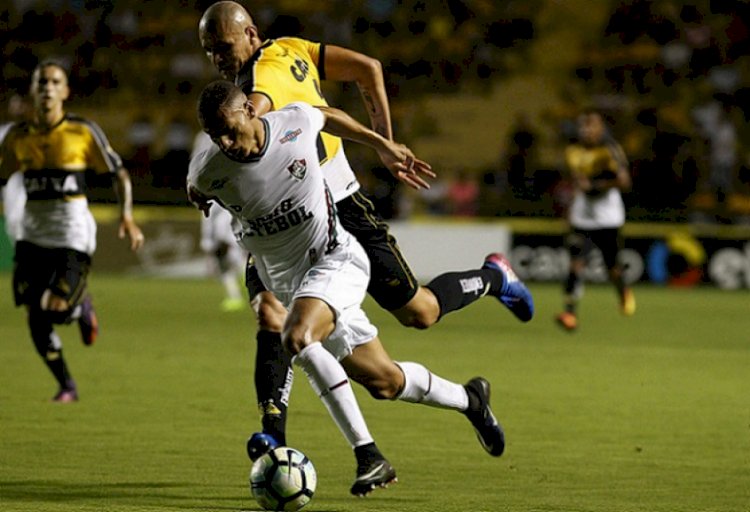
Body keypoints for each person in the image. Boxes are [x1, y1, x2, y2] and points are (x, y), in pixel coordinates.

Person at [197, 1, 534, 455]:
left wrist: (212, 167)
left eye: (222, 46)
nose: (216, 58)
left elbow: (254, 122)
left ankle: (495, 276)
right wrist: (383, 138)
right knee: (370, 373)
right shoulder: (290, 49)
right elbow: (367, 68)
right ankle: (277, 434)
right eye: (208, 51)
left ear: (251, 35)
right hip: (289, 223)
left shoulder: (255, 88)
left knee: (420, 312)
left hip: (337, 210)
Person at [187, 80, 507, 496]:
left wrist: (380, 144)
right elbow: (197, 185)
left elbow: (331, 116)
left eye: (231, 129)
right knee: (385, 382)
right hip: (292, 285)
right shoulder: (208, 168)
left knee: (297, 335)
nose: (227, 142)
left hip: (336, 260)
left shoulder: (294, 123)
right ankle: (471, 400)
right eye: (217, 136)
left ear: (250, 109)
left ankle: (369, 455)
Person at [0, 60, 145, 402]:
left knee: (56, 307)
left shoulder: (82, 131)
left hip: (71, 235)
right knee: (35, 317)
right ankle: (66, 385)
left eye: (55, 82)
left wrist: (126, 216)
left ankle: (81, 309)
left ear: (65, 91)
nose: (48, 87)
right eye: (42, 82)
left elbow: (118, 173)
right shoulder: (17, 138)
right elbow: (4, 176)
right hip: (31, 236)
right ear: (34, 91)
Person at [555, 111, 635, 331]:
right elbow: (576, 183)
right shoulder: (572, 151)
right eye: (583, 127)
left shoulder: (609, 149)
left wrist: (595, 186)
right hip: (582, 216)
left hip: (607, 216)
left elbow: (624, 181)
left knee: (612, 268)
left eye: (592, 127)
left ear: (601, 129)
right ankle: (569, 313)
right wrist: (569, 209)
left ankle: (622, 290)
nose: (587, 131)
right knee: (575, 264)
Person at [192, 131, 246, 312]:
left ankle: (244, 285)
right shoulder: (202, 138)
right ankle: (234, 294)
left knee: (227, 245)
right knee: (221, 253)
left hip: (235, 194)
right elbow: (195, 166)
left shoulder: (235, 131)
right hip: (214, 197)